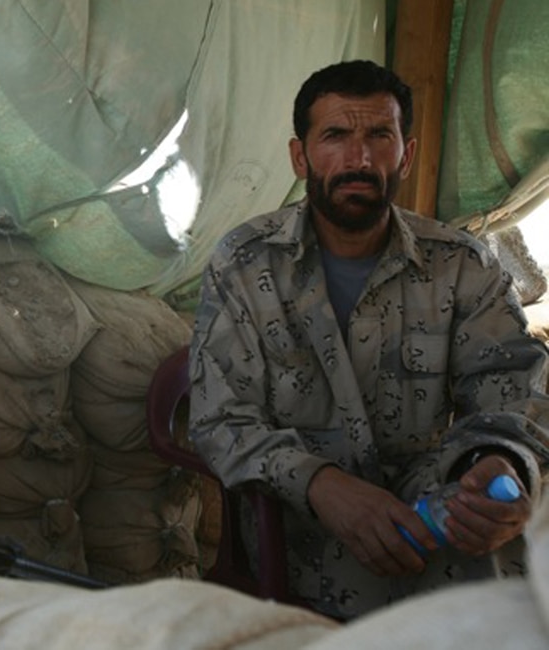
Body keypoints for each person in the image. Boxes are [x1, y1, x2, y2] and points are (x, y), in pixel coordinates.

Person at [187, 59, 549, 620]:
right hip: (301, 515)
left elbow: (512, 391)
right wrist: (325, 488)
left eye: (379, 136)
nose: (358, 159)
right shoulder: (244, 262)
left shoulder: (461, 264)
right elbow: (220, 421)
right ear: (299, 156)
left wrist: (495, 461)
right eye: (335, 136)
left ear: (404, 153)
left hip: (431, 500)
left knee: (495, 563)